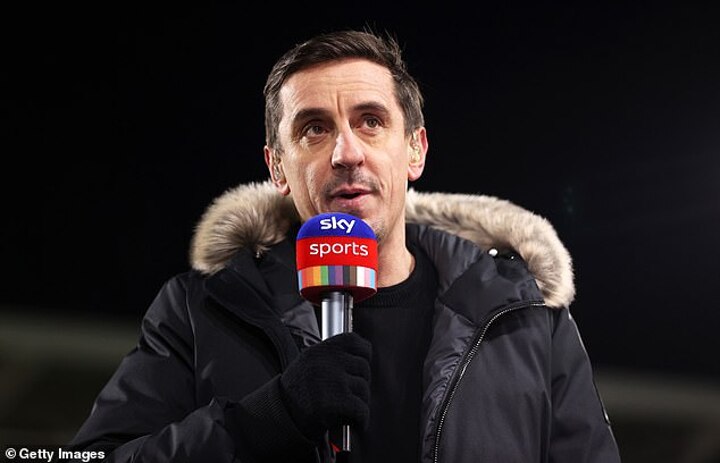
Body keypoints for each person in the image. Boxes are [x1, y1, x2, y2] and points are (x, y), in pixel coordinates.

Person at [67, 29, 622, 462]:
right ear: (277, 168)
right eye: (314, 129)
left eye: (371, 121)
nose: (346, 153)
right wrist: (266, 420)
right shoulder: (201, 310)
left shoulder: (527, 317)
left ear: (415, 150)